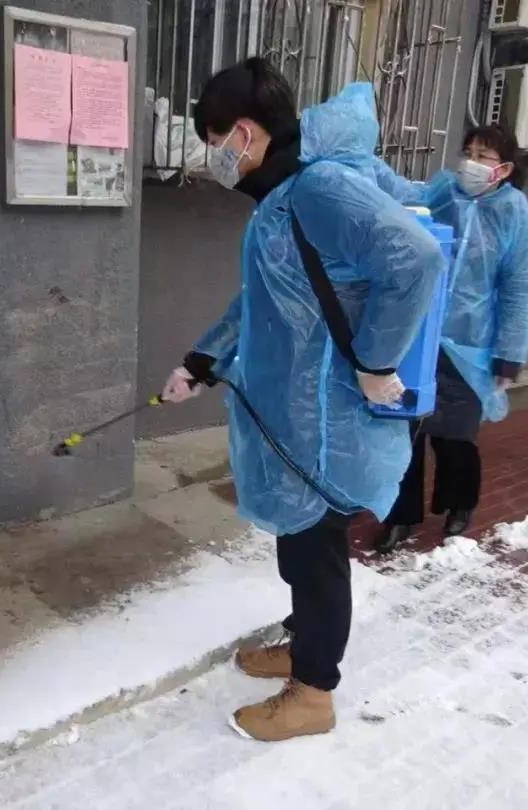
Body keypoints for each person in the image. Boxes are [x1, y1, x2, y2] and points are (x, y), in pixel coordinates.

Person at [160, 58, 444, 742]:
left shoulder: (319, 189)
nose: (214, 158)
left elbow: (415, 261)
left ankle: (314, 692)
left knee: (317, 556)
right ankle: (302, 644)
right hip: (296, 420)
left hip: (327, 423)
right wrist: (202, 361)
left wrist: (375, 362)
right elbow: (265, 299)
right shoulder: (285, 199)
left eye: (214, 142)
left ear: (245, 134)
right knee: (299, 545)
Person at [376, 126, 528, 553]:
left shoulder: (512, 211)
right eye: (468, 152)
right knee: (405, 428)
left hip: (471, 343)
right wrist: (362, 167)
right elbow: (404, 198)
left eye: (483, 156)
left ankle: (459, 505)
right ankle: (400, 516)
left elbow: (521, 285)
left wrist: (509, 354)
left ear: (504, 169)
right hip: (420, 334)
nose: (471, 163)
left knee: (456, 436)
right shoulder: (445, 193)